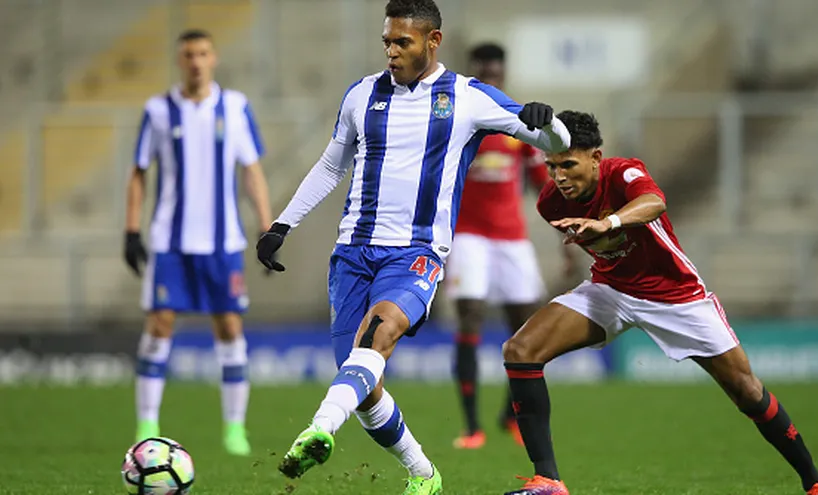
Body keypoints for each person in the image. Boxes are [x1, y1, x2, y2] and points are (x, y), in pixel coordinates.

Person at [255, 0, 570, 493]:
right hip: (353, 253)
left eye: (402, 42)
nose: (392, 51)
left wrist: (547, 122)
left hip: (416, 253)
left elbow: (556, 144)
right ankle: (424, 474)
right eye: (387, 41)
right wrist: (282, 225)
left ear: (433, 41)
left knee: (377, 337)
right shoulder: (361, 95)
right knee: (361, 383)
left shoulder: (467, 97)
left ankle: (319, 428)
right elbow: (331, 166)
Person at [499, 111, 818, 495]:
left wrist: (607, 224)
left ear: (595, 157)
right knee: (521, 349)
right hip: (611, 290)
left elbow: (654, 201)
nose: (559, 176)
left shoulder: (623, 173)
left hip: (676, 296)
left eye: (568, 165)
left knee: (746, 390)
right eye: (552, 166)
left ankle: (816, 483)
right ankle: (549, 481)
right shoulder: (551, 203)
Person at [124, 29, 272, 457]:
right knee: (159, 325)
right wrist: (131, 230)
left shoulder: (235, 106)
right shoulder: (158, 110)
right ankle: (147, 423)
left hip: (222, 242)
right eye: (188, 54)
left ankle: (234, 430)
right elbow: (138, 171)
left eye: (203, 53)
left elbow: (252, 169)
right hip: (170, 240)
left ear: (215, 58)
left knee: (228, 327)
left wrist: (267, 228)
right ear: (179, 60)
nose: (196, 61)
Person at [445, 42, 557, 450]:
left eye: (495, 73)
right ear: (475, 74)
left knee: (527, 329)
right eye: (483, 73)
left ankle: (509, 414)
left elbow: (540, 183)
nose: (490, 79)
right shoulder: (462, 120)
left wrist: (565, 230)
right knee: (470, 315)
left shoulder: (516, 123)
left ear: (503, 75)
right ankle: (471, 426)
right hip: (468, 235)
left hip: (512, 236)